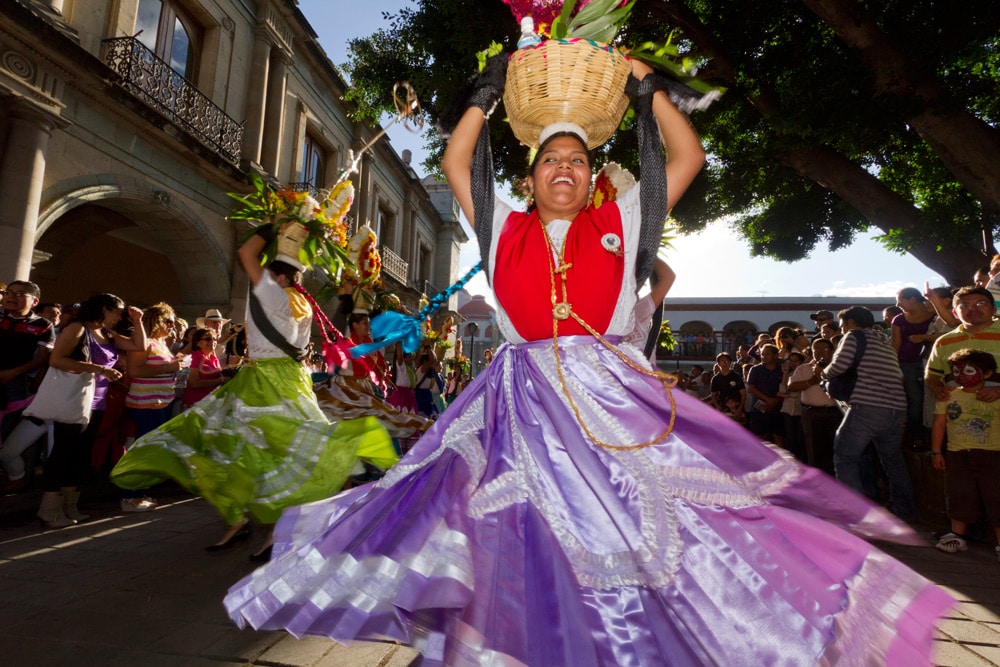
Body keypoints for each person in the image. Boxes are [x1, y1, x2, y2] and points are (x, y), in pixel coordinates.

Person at [224, 58, 951, 665]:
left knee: (640, 524)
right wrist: (484, 94)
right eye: (550, 161)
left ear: (592, 174)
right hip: (518, 394)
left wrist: (647, 92)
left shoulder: (620, 221)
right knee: (514, 524)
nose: (564, 168)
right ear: (532, 178)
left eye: (577, 160)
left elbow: (687, 157)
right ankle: (515, 637)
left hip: (607, 394)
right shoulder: (502, 224)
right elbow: (456, 161)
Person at [111, 233, 396, 560]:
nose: (262, 279)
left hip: (266, 380)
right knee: (260, 450)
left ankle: (258, 524)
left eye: (270, 275)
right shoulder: (302, 302)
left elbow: (247, 252)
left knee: (236, 446)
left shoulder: (275, 294)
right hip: (284, 378)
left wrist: (277, 224)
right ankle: (245, 523)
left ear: (282, 277)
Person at [33, 295, 145, 527]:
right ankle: (49, 510)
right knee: (63, 452)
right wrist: (99, 369)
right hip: (74, 400)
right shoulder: (77, 328)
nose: (118, 318)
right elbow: (56, 360)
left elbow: (139, 346)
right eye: (118, 313)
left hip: (98, 403)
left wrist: (138, 321)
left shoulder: (108, 334)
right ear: (104, 309)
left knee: (80, 454)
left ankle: (69, 506)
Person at [824, 306, 916, 521]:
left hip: (868, 407)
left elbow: (838, 367)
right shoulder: (883, 341)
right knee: (892, 460)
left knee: (845, 458)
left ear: (850, 323)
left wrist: (824, 372)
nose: (842, 328)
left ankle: (854, 515)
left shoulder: (854, 336)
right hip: (896, 408)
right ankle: (906, 512)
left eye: (843, 324)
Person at [930, 348, 1000, 559]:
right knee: (960, 494)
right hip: (957, 453)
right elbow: (939, 423)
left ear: (987, 374)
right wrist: (936, 452)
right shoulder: (948, 395)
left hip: (992, 454)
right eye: (956, 371)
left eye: (969, 370)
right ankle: (956, 536)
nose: (962, 375)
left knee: (995, 497)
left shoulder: (995, 396)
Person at [181, 327, 228, 408]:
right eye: (208, 339)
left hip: (210, 404)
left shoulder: (213, 357)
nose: (213, 341)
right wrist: (220, 380)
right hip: (194, 405)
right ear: (198, 343)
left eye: (214, 339)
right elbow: (194, 383)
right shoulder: (193, 358)